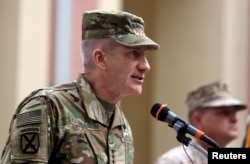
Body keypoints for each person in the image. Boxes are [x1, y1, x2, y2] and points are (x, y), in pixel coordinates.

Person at [0, 9, 160, 163]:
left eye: (144, 55)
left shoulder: (120, 124)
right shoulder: (47, 108)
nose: (145, 65)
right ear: (100, 58)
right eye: (134, 54)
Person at [154, 80, 247, 164]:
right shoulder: (174, 161)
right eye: (224, 113)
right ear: (198, 120)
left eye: (234, 112)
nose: (235, 119)